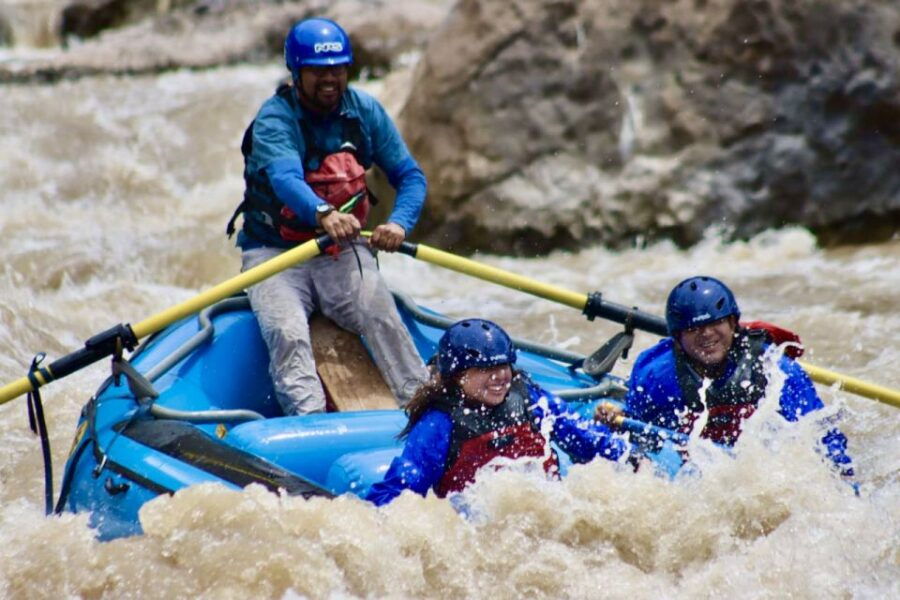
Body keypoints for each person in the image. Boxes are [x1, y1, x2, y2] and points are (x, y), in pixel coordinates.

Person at [226, 18, 429, 414]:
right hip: (275, 252)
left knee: (381, 313)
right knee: (287, 332)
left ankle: (420, 405)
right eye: (318, 71)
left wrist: (399, 223)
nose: (329, 79)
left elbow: (411, 176)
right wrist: (323, 213)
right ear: (297, 73)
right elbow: (285, 179)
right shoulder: (275, 119)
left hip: (340, 249)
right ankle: (310, 420)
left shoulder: (364, 111)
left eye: (337, 68)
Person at [598, 276, 854, 477]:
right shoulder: (656, 374)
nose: (707, 334)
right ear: (677, 338)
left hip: (759, 469)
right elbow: (639, 436)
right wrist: (616, 417)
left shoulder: (776, 370)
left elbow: (822, 438)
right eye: (694, 329)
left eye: (715, 324)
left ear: (733, 323)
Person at [366, 319, 628, 506]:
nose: (501, 376)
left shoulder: (529, 398)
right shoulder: (440, 423)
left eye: (504, 365)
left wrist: (628, 457)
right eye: (485, 369)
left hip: (544, 510)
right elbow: (404, 489)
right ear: (458, 376)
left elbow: (581, 438)